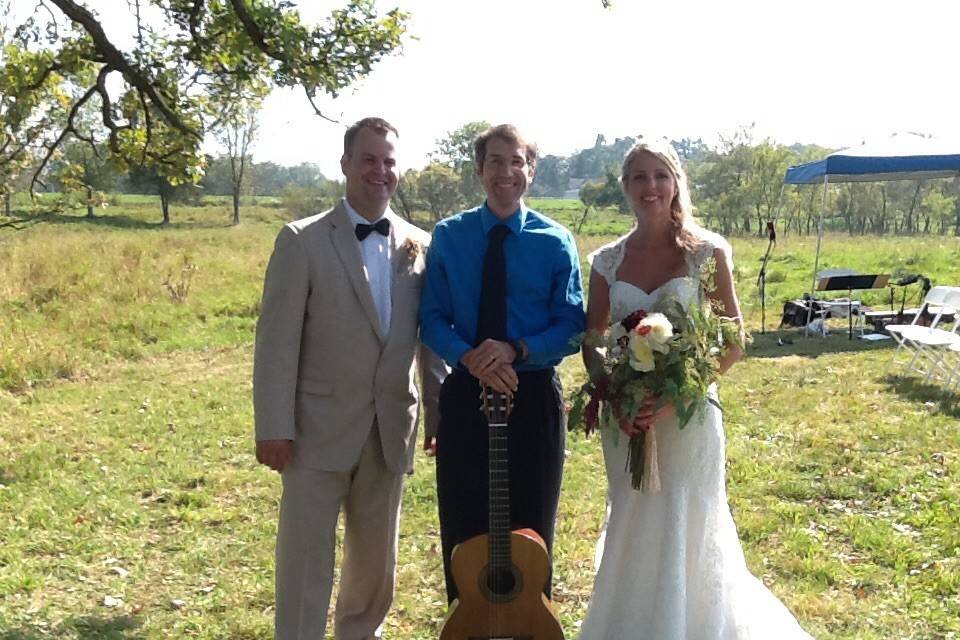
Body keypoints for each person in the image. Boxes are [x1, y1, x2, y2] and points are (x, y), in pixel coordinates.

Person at [578, 139, 812, 639]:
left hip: (686, 417)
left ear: (676, 182)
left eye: (660, 175)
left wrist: (676, 392)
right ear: (624, 187)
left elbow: (733, 339)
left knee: (688, 516)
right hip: (626, 420)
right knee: (634, 516)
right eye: (639, 177)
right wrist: (615, 395)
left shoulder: (706, 253)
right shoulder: (606, 262)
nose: (650, 187)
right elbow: (593, 340)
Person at [253, 117, 447, 640]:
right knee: (305, 562)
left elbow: (431, 339)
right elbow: (276, 343)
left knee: (374, 566)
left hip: (390, 429)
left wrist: (438, 412)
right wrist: (274, 425)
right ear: (345, 164)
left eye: (389, 161)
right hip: (315, 430)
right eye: (368, 158)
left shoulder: (422, 244)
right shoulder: (302, 240)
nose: (379, 171)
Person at [420, 123, 586, 604]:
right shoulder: (449, 237)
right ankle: (467, 620)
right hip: (467, 392)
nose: (506, 172)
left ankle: (530, 623)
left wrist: (516, 350)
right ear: (479, 170)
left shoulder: (555, 242)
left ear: (531, 171)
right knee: (463, 523)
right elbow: (431, 317)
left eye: (517, 162)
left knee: (533, 526)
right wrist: (470, 356)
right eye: (495, 161)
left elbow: (572, 323)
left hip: (531, 395)